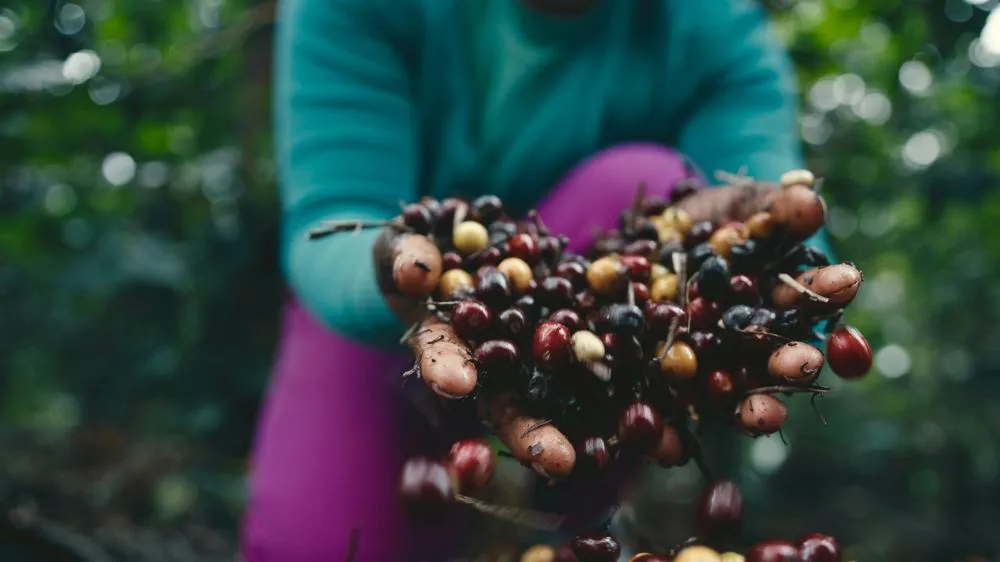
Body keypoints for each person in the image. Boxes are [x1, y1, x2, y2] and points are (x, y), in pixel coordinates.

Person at [242, 0, 832, 560]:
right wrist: (396, 272)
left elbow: (774, 212)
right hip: (389, 314)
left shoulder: (712, 27)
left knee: (649, 184)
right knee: (317, 547)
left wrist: (791, 288)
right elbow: (336, 213)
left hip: (588, 360)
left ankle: (572, 518)